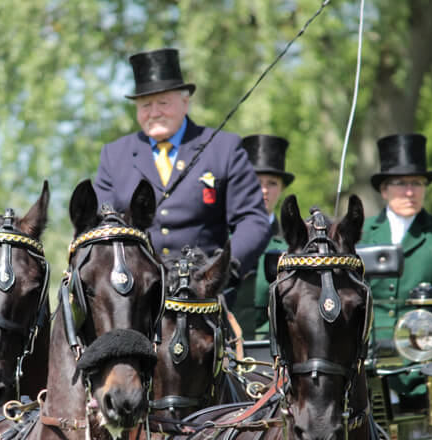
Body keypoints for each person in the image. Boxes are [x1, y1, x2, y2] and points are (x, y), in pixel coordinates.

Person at [94, 48, 270, 284]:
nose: (154, 113)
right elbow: (101, 225)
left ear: (185, 102)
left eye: (163, 103)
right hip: (138, 292)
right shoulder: (115, 155)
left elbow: (253, 220)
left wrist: (223, 267)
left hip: (204, 290)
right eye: (145, 105)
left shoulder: (224, 148)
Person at [359, 132, 432, 397]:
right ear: (384, 189)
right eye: (400, 183)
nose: (410, 192)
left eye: (417, 183)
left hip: (423, 367)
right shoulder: (360, 235)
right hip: (366, 367)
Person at [232, 134, 295, 338]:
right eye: (256, 182)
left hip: (273, 346)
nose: (264, 190)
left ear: (282, 188)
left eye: (272, 183)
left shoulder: (292, 243)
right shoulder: (220, 237)